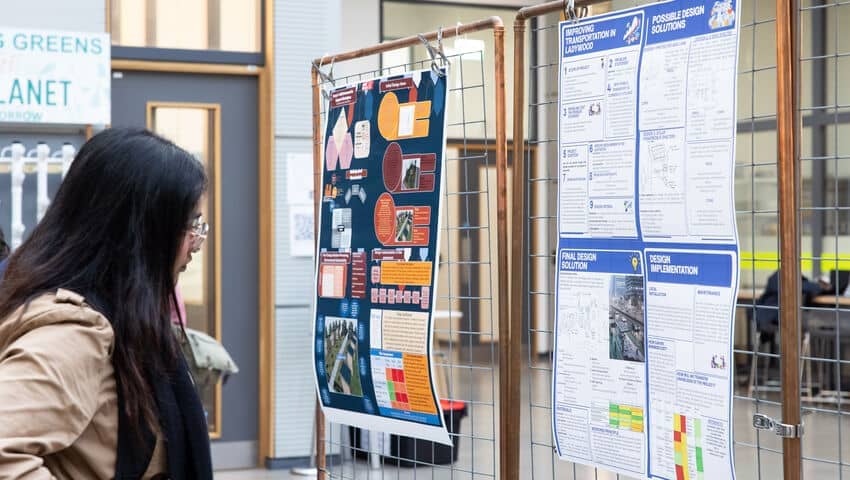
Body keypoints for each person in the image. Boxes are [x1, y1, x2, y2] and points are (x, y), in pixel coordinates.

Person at [0, 128, 213, 479]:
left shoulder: (122, 319)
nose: (197, 241)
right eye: (190, 224)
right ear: (142, 230)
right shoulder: (75, 333)